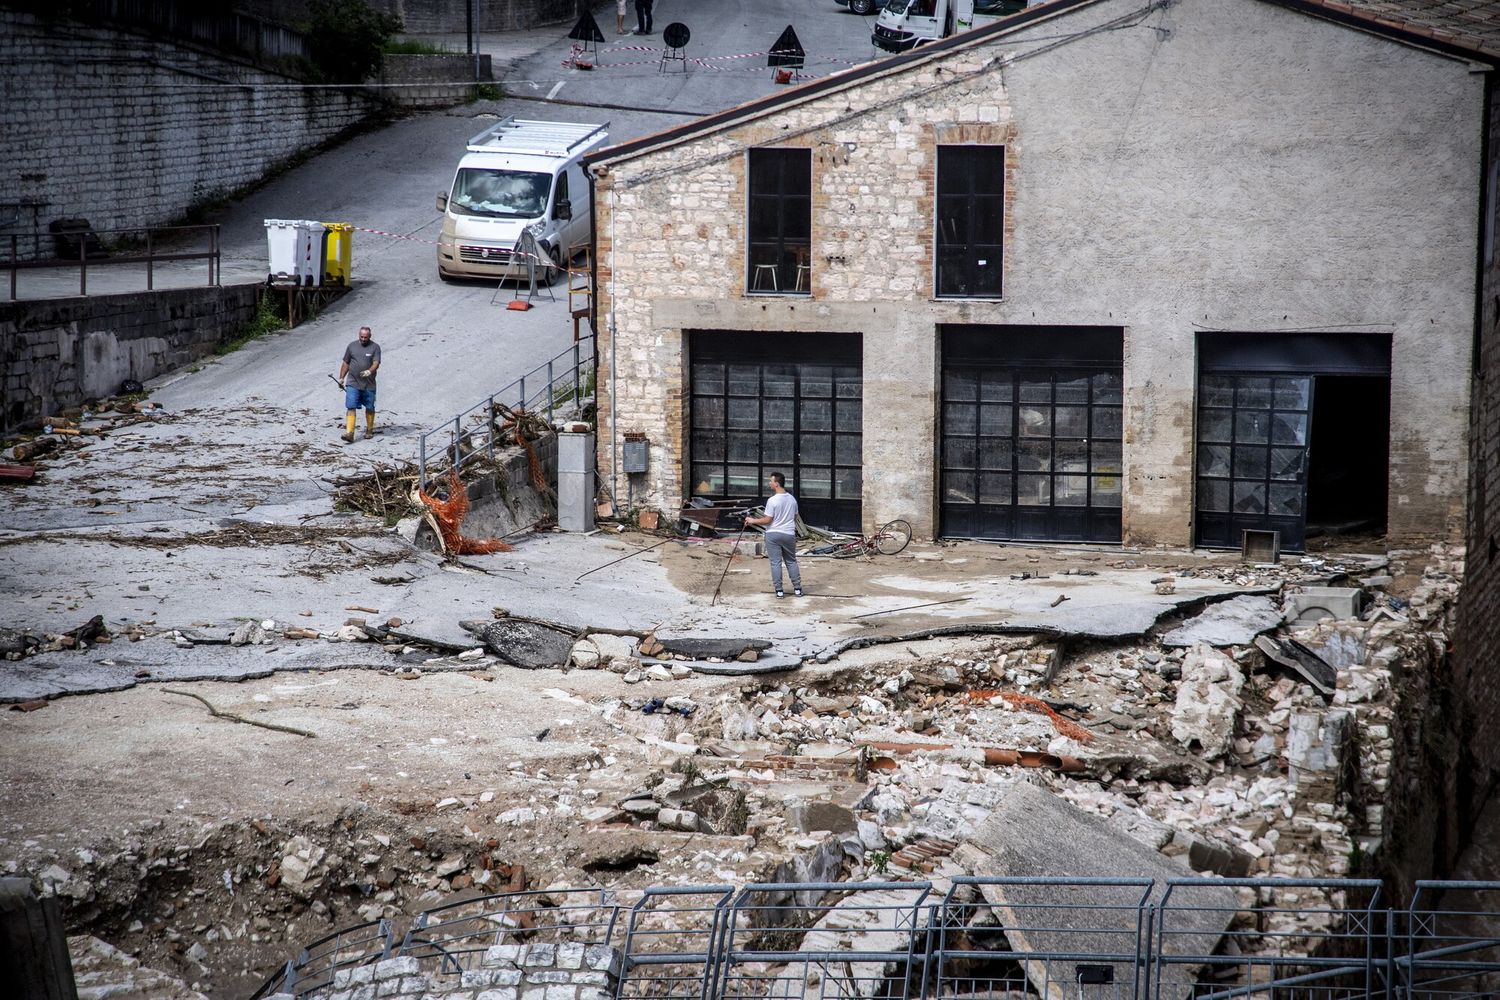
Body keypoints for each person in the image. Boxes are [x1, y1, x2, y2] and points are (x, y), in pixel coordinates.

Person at [745, 472, 803, 598]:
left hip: (773, 534)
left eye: (771, 481)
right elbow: (794, 516)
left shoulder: (772, 501)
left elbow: (767, 520)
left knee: (775, 563)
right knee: (791, 561)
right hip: (788, 534)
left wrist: (752, 520)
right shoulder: (792, 499)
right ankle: (797, 588)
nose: (769, 483)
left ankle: (779, 591)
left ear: (776, 484)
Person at [337, 325, 381, 443]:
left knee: (370, 407)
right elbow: (346, 363)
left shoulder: (375, 347)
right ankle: (350, 433)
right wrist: (341, 378)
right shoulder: (352, 346)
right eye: (361, 337)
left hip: (369, 384)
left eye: (365, 337)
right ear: (358, 335)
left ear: (370, 336)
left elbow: (376, 363)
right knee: (350, 405)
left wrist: (369, 371)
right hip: (353, 382)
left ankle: (369, 429)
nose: (363, 339)